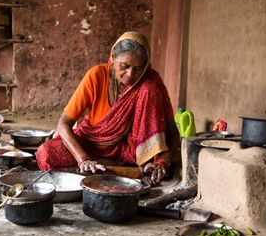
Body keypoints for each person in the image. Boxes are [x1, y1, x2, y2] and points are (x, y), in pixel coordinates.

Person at [36, 31, 179, 185]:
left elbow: (172, 133)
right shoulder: (96, 75)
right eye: (124, 66)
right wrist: (83, 160)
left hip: (130, 151)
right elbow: (63, 125)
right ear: (112, 57)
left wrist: (162, 163)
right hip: (90, 144)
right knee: (46, 154)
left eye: (138, 69)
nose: (130, 74)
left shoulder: (150, 82)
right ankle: (116, 170)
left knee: (150, 87)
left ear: (146, 67)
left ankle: (109, 171)